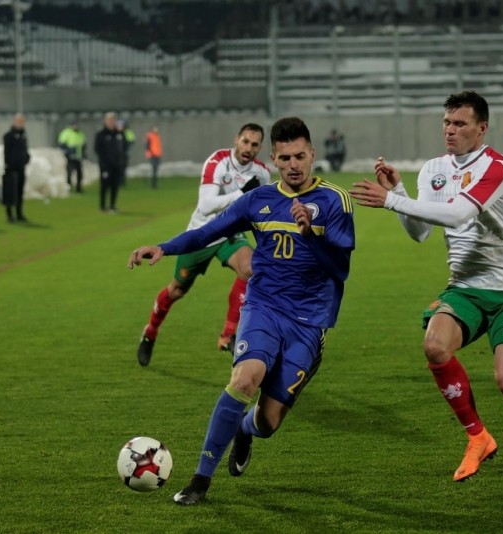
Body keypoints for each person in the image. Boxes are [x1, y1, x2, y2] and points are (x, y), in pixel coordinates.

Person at [128, 116, 355, 505]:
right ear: (274, 159)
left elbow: (341, 270)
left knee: (268, 422)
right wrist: (164, 247)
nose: (293, 165)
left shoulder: (335, 201)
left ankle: (244, 430)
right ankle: (200, 481)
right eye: (285, 158)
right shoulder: (258, 199)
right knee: (245, 379)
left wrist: (309, 235)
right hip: (263, 306)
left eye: (300, 156)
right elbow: (207, 231)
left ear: (312, 154)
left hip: (308, 321)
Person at [350, 90, 503, 491]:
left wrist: (390, 201)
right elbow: (421, 233)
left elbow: (459, 214)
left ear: (481, 128)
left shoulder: (498, 166)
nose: (450, 130)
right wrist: (401, 193)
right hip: (464, 287)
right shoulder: (433, 169)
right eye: (446, 122)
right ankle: (478, 436)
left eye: (460, 123)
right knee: (435, 345)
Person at [136, 123, 272, 367]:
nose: (248, 148)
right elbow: (206, 205)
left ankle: (227, 335)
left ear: (260, 148)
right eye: (245, 141)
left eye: (254, 144)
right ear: (237, 140)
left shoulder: (262, 173)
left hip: (230, 235)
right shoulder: (218, 161)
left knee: (251, 269)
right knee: (177, 290)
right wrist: (241, 193)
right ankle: (150, 332)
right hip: (201, 234)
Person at [2, 113, 31, 223]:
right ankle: (9, 214)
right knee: (10, 190)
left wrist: (27, 157)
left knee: (20, 191)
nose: (20, 123)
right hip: (11, 167)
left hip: (21, 167)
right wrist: (8, 164)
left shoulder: (23, 135)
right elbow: (7, 152)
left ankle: (19, 213)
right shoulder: (9, 136)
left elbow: (24, 149)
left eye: (22, 121)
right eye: (19, 121)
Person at [94, 112, 125, 213]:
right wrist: (104, 162)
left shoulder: (119, 134)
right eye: (109, 120)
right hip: (105, 165)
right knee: (105, 185)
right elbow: (98, 149)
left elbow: (123, 147)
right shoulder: (101, 134)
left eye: (113, 120)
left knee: (115, 185)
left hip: (117, 164)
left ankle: (112, 205)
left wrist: (121, 160)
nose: (111, 122)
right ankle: (102, 206)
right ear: (105, 121)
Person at [58, 121, 87, 193]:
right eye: (74, 125)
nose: (75, 127)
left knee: (79, 173)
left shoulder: (80, 133)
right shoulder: (66, 133)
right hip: (70, 156)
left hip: (78, 156)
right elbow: (62, 144)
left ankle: (78, 188)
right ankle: (69, 187)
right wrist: (67, 153)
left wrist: (83, 153)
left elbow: (83, 144)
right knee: (69, 172)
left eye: (76, 125)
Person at [118, 119, 135, 187]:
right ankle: (118, 181)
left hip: (124, 153)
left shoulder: (128, 132)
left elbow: (132, 141)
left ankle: (122, 181)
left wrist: (126, 146)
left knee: (123, 167)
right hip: (118, 153)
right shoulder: (117, 132)